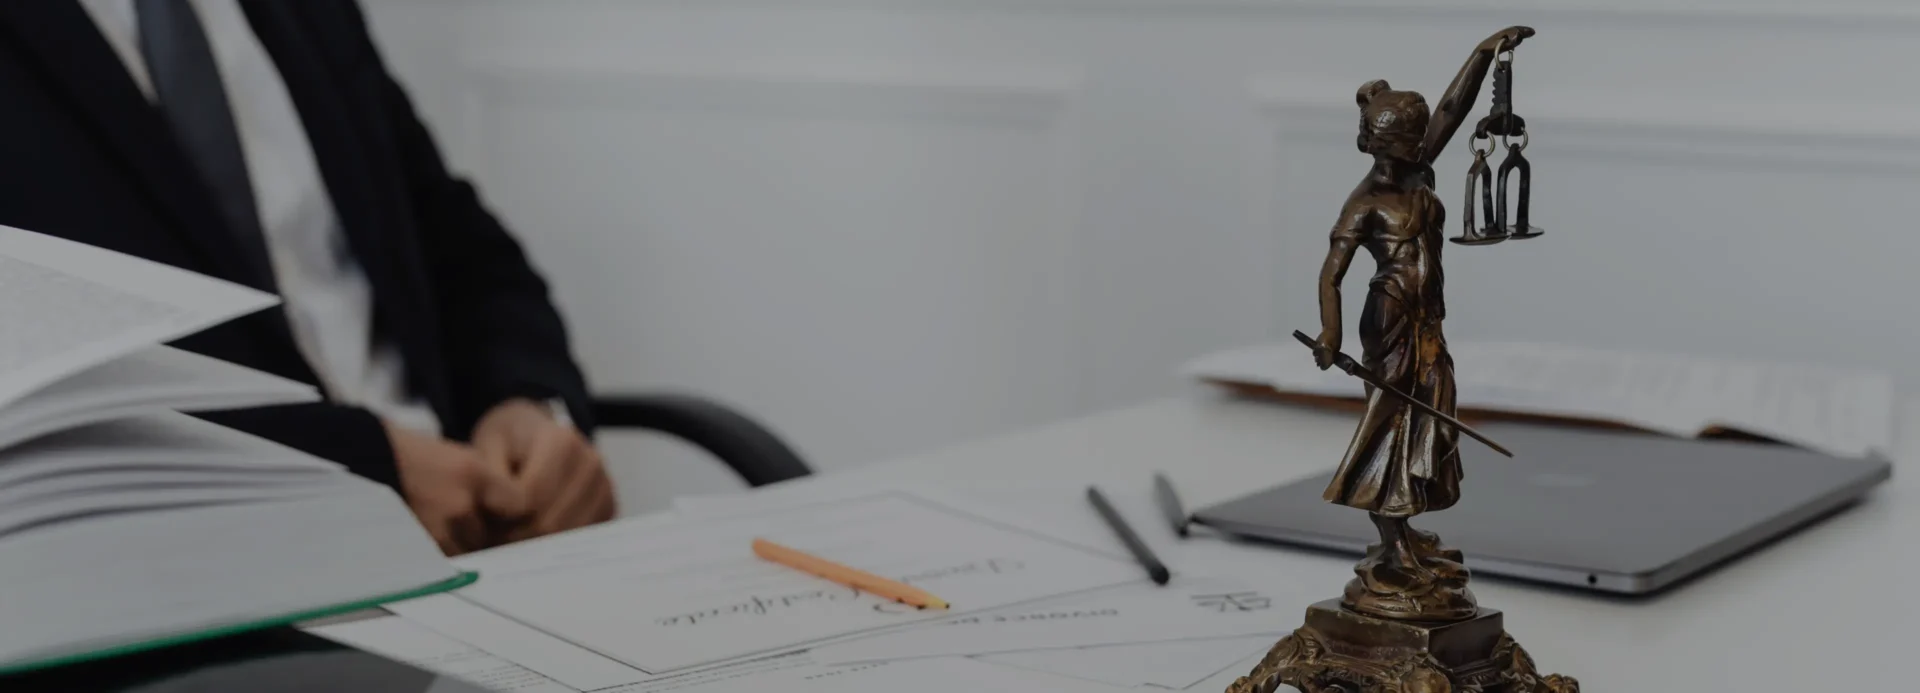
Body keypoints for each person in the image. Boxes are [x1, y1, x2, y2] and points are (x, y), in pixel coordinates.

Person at [0, 1, 615, 554]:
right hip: (204, 570)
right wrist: (365, 464)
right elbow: (43, 371)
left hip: (477, 531)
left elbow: (457, 245)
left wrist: (527, 404)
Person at [1310, 25, 1532, 621]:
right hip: (1388, 322)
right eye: (1415, 140)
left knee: (1432, 421)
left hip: (1429, 321)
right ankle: (1392, 546)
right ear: (1389, 147)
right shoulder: (1365, 201)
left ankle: (1405, 536)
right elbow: (1331, 274)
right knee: (1392, 425)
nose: (1426, 144)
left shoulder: (1415, 170)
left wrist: (1484, 54)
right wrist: (1329, 334)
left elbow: (1454, 110)